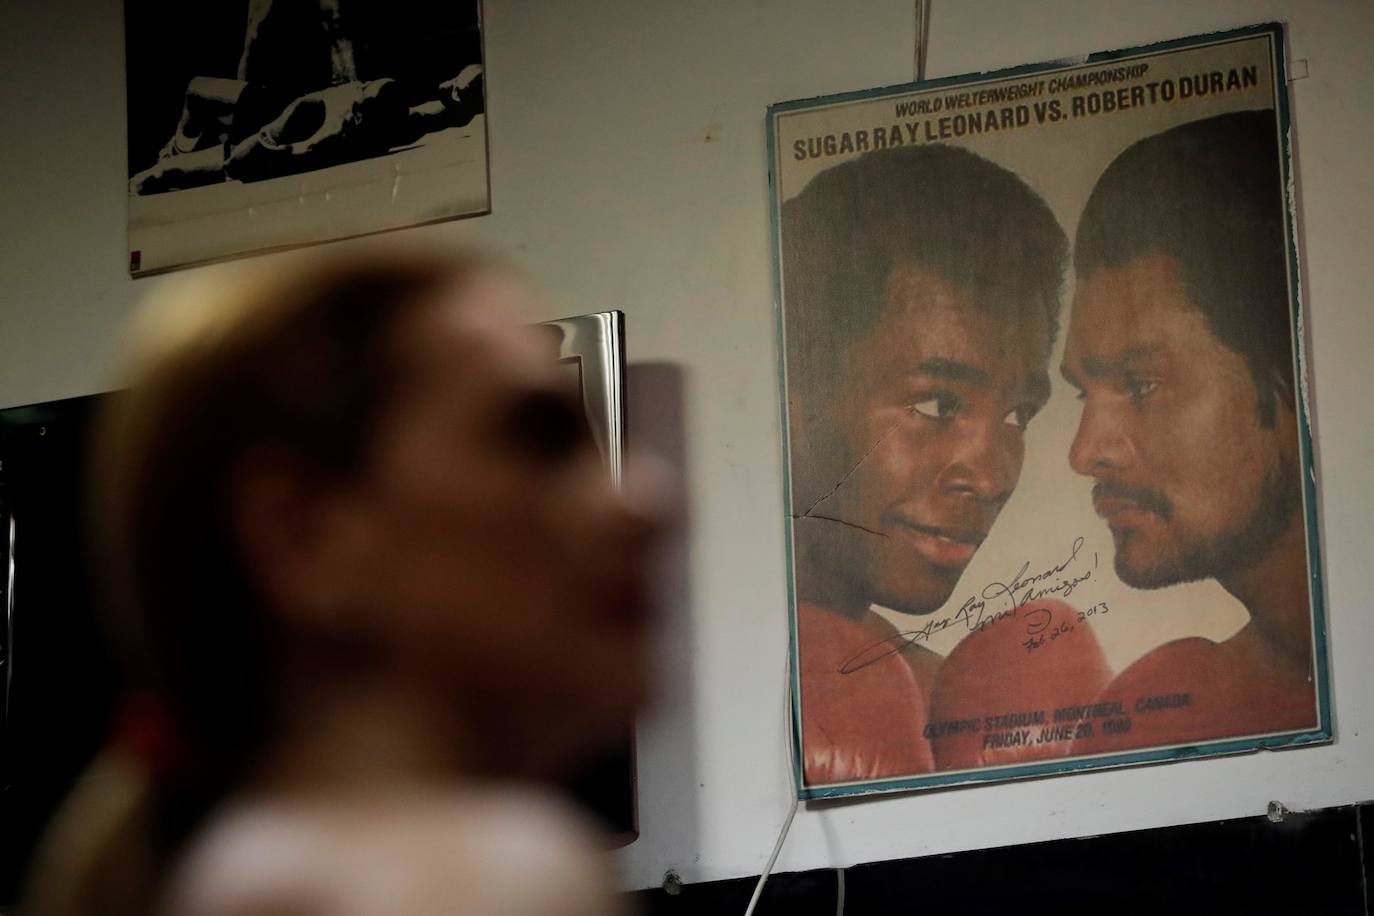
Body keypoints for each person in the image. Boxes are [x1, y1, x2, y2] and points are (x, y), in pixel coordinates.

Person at [24, 245, 668, 915]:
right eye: (535, 435)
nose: (647, 502)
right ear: (302, 532)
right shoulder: (480, 876)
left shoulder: (232, 871)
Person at [781, 144, 1110, 784]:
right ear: (794, 397)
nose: (988, 478)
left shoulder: (948, 713)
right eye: (937, 402)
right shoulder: (634, 671)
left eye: (1018, 415)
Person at [1062, 110, 1319, 754]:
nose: (1085, 452)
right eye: (1081, 392)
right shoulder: (1167, 709)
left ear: (1293, 371)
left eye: (1142, 385)